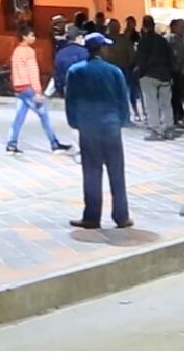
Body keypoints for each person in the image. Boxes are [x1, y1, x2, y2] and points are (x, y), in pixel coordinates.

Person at [65, 32, 133, 230]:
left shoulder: (75, 71)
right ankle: (122, 216)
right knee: (117, 172)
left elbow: (71, 100)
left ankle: (92, 216)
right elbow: (123, 99)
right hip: (111, 127)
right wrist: (120, 121)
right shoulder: (114, 71)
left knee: (92, 173)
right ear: (101, 49)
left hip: (89, 128)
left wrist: (75, 123)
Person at [5, 26, 71, 154]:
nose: (34, 38)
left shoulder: (17, 51)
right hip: (28, 87)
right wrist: (38, 91)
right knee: (43, 114)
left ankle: (11, 144)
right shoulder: (29, 51)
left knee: (19, 116)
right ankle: (54, 144)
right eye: (31, 35)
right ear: (25, 36)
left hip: (19, 87)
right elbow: (32, 72)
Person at [132, 14, 175, 140]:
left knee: (151, 103)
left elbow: (141, 59)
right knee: (166, 104)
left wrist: (139, 73)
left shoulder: (143, 41)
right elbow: (170, 58)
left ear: (143, 26)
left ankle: (155, 130)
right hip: (165, 75)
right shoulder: (162, 40)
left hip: (149, 75)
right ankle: (168, 129)